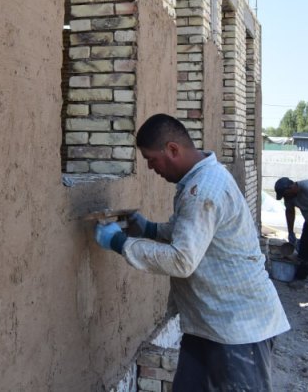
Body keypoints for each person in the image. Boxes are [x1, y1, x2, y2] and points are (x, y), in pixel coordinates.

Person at [92, 113, 289, 391]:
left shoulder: (204, 189)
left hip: (238, 330)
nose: (150, 167)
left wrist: (119, 243)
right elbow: (190, 231)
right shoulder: (201, 180)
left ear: (172, 149)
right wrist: (149, 229)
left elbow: (181, 260)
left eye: (152, 159)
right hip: (207, 323)